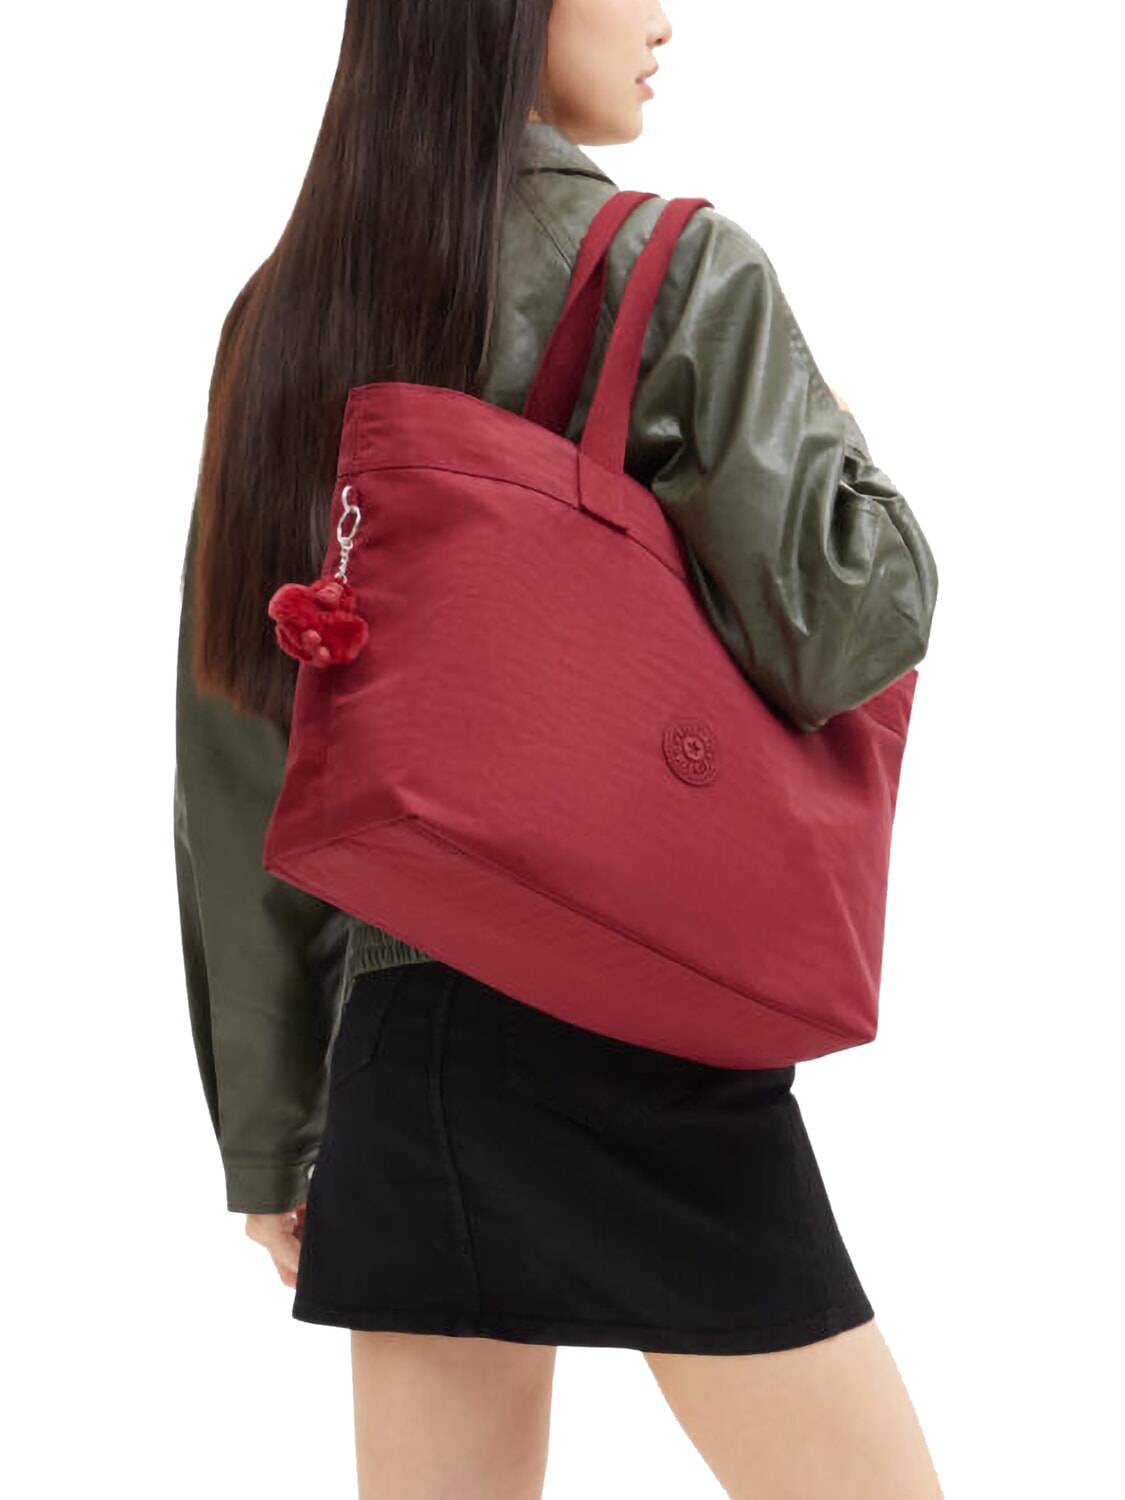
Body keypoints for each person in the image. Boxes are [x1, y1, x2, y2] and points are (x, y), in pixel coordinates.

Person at [173, 1, 944, 1495]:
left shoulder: (284, 313)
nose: (664, 17)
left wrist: (273, 1137)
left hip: (405, 1049)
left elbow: (239, 743)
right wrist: (842, 434)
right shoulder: (681, 273)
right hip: (640, 1020)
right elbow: (853, 630)